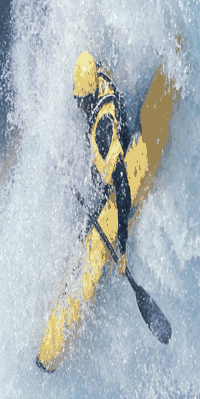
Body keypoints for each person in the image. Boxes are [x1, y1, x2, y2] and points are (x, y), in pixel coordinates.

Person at [73, 51, 131, 274]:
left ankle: (95, 221)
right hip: (118, 123)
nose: (79, 107)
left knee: (103, 180)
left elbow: (123, 187)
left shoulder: (103, 132)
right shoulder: (99, 75)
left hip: (118, 148)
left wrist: (122, 245)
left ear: (89, 98)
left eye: (81, 102)